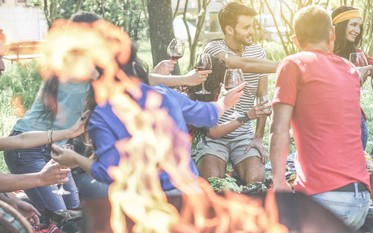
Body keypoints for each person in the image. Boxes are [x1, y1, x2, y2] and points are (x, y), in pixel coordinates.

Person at [51, 41, 245, 195]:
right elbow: (208, 116)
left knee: (96, 190)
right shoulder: (163, 93)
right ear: (137, 67)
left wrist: (75, 158)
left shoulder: (103, 113)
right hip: (189, 192)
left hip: (150, 202)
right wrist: (223, 102)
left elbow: (107, 172)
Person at [270, 5, 371, 231]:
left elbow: (278, 129)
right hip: (361, 199)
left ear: (296, 40)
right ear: (332, 34)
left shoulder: (293, 64)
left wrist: (278, 181)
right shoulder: (350, 69)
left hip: (325, 200)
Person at [3, 11, 101, 216]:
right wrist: (182, 79)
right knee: (61, 216)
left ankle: (24, 199)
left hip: (51, 146)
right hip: (27, 149)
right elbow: (123, 81)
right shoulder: (74, 65)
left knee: (73, 210)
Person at [195, 2, 272, 185]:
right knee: (213, 182)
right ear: (229, 29)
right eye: (246, 27)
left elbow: (263, 98)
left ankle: (237, 169)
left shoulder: (258, 53)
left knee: (255, 180)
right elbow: (239, 63)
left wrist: (259, 138)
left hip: (243, 135)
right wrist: (287, 65)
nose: (252, 31)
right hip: (213, 135)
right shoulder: (213, 49)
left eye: (252, 25)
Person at [332, 6, 373, 151]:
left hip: (354, 123)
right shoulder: (323, 54)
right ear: (339, 25)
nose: (357, 30)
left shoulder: (358, 54)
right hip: (327, 122)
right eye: (353, 24)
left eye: (359, 26)